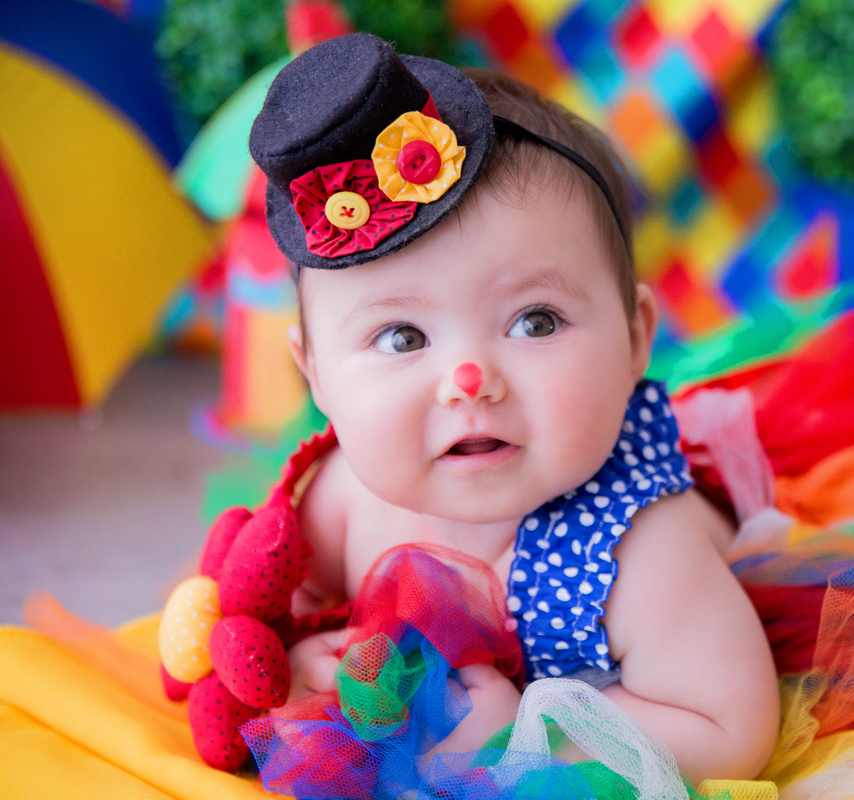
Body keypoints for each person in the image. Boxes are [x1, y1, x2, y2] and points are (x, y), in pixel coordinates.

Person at [248, 32, 779, 785]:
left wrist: (531, 740)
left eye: (535, 322)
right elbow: (285, 608)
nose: (469, 380)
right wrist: (309, 657)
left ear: (635, 339)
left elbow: (731, 729)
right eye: (402, 336)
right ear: (318, 377)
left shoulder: (639, 558)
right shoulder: (339, 500)